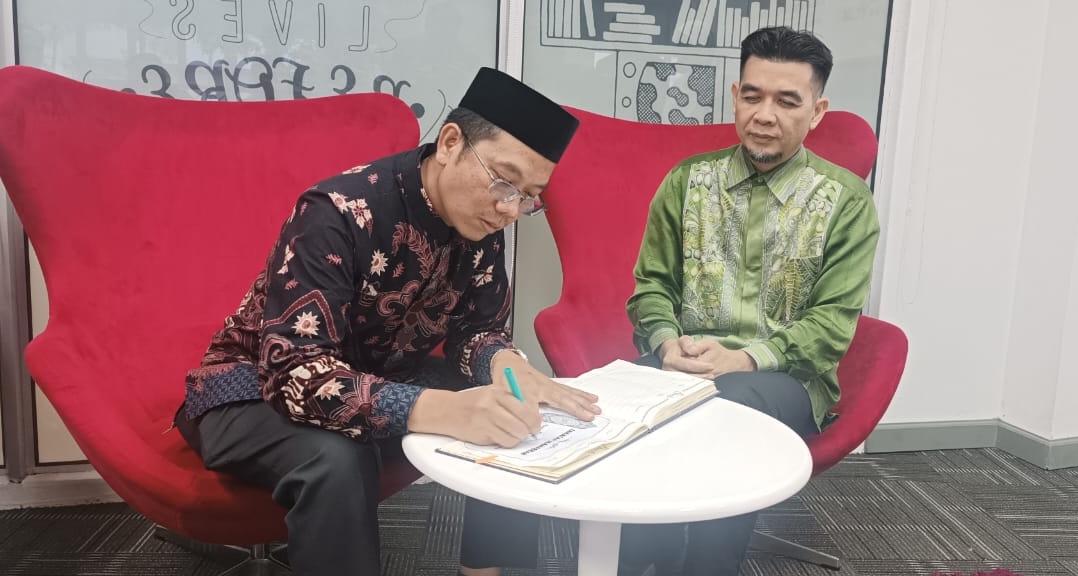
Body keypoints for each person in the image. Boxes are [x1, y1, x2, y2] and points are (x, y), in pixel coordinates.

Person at [173, 67, 601, 576]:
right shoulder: (337, 213)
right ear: (450, 143)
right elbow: (296, 372)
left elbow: (477, 330)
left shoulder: (483, 222)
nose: (510, 209)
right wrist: (442, 408)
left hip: (379, 377)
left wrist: (505, 364)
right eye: (505, 182)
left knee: (514, 415)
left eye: (528, 196)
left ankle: (488, 571)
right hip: (252, 390)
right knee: (337, 458)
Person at [621, 26, 881, 575]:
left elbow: (831, 324)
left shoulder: (847, 202)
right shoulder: (687, 182)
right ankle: (640, 555)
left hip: (785, 380)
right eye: (754, 96)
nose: (765, 115)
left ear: (816, 112)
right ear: (736, 96)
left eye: (787, 101)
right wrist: (666, 344)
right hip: (683, 363)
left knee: (723, 411)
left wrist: (742, 358)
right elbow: (652, 288)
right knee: (621, 399)